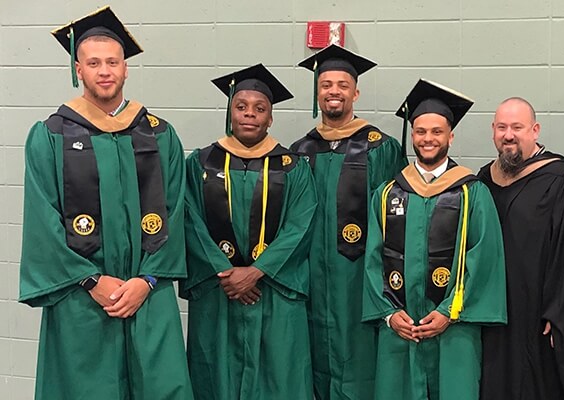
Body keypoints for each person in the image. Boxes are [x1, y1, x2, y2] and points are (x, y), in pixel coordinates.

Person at [18, 6, 193, 399]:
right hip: (81, 296)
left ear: (126, 68)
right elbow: (42, 220)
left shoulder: (160, 135)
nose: (104, 70)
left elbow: (176, 211)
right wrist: (91, 281)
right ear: (78, 69)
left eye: (112, 61)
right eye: (93, 62)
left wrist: (146, 281)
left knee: (159, 386)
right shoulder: (50, 136)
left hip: (148, 291)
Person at [361, 79, 507, 400]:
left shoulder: (472, 193)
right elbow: (372, 260)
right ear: (412, 135)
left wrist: (448, 312)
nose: (428, 139)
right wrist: (388, 313)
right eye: (421, 132)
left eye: (437, 132)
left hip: (454, 328)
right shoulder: (387, 195)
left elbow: (483, 262)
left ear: (450, 137)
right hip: (399, 327)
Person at [180, 64, 317, 400]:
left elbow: (301, 226)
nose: (250, 115)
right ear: (230, 111)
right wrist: (226, 273)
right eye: (241, 107)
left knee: (280, 378)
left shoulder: (293, 167)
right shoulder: (200, 163)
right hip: (218, 290)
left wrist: (256, 272)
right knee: (215, 376)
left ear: (270, 118)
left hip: (275, 293)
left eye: (260, 109)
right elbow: (188, 219)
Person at [291, 44, 406, 400]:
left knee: (362, 362)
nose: (333, 92)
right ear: (317, 92)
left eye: (342, 85)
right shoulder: (299, 152)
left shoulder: (380, 147)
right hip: (311, 276)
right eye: (326, 85)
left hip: (361, 279)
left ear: (355, 92)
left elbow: (396, 220)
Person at [477, 97, 564, 400]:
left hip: (537, 314)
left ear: (535, 130)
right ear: (493, 130)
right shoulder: (483, 179)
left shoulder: (562, 179)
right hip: (492, 311)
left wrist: (559, 311)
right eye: (502, 127)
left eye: (517, 127)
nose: (509, 135)